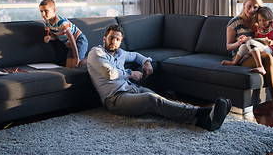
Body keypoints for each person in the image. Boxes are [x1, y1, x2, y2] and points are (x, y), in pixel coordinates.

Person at [87, 24, 232, 131]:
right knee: (152, 100)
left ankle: (208, 112)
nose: (113, 41)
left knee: (161, 101)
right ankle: (202, 120)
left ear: (120, 41)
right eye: (111, 38)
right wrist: (131, 73)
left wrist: (147, 61)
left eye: (117, 39)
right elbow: (109, 73)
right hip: (114, 99)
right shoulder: (96, 53)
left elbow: (136, 55)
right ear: (105, 38)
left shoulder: (120, 53)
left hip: (132, 89)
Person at [224, 0, 273, 116]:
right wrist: (239, 42)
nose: (251, 10)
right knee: (267, 58)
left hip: (264, 50)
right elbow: (228, 46)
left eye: (255, 8)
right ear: (244, 5)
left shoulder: (258, 22)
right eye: (249, 6)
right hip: (243, 56)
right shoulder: (234, 22)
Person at [222, 6, 273, 75]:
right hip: (261, 47)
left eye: (264, 20)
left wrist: (272, 42)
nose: (262, 23)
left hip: (270, 48)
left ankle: (260, 66)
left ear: (269, 19)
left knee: (250, 42)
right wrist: (245, 40)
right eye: (260, 20)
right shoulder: (257, 27)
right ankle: (234, 62)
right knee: (244, 46)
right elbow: (255, 40)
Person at [39, 0, 88, 68]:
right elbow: (55, 36)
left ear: (54, 10)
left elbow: (72, 39)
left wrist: (77, 57)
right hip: (70, 45)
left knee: (76, 64)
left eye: (46, 11)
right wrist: (49, 38)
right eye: (41, 11)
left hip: (78, 40)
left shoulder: (62, 23)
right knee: (68, 67)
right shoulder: (46, 23)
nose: (43, 14)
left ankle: (89, 59)